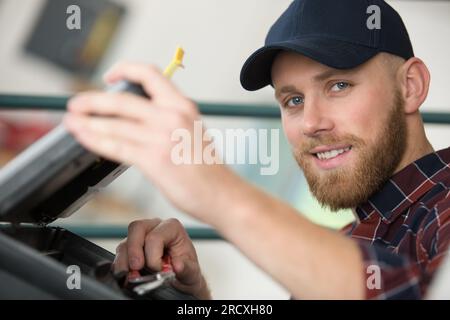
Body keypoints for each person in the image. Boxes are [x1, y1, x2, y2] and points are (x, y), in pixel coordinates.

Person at [64, 0, 450, 299]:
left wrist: (217, 192)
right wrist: (191, 295)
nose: (312, 123)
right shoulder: (354, 238)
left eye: (338, 86)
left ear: (410, 86)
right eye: (293, 100)